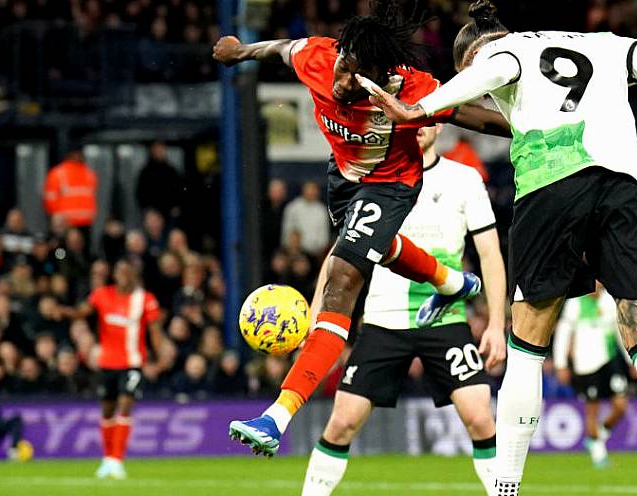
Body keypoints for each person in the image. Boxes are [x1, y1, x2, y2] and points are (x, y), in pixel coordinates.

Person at [366, 0, 637, 496]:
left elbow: (493, 70)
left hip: (551, 191)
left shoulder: (501, 53)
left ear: (471, 54)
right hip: (625, 190)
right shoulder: (604, 45)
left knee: (527, 349)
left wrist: (417, 111)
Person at [212, 0, 510, 458]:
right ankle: (452, 282)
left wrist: (529, 126)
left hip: (392, 185)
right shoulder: (320, 58)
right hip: (343, 180)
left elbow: (471, 115)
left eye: (354, 75)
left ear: (380, 74)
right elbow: (283, 47)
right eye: (343, 66)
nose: (341, 80)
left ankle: (276, 416)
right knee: (381, 248)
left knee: (341, 280)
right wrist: (241, 50)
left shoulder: (411, 88)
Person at [274, 125, 529, 496]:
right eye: (416, 118)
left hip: (444, 317)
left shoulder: (464, 179)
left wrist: (498, 325)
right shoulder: (375, 181)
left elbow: (489, 255)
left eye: (430, 118)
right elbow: (342, 253)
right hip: (383, 318)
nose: (423, 127)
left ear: (440, 124)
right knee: (342, 422)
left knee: (481, 417)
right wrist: (319, 311)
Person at [62, 259, 164, 479]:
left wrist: (159, 358)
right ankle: (107, 459)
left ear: (134, 276)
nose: (124, 276)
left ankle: (117, 459)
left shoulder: (145, 300)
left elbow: (154, 331)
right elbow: (82, 312)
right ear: (115, 275)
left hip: (133, 362)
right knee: (107, 410)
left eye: (128, 272)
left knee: (126, 403)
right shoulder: (102, 295)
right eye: (120, 272)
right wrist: (63, 312)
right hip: (107, 362)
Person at [553, 284, 630, 469]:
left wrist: (630, 359)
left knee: (621, 406)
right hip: (586, 364)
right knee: (592, 410)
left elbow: (620, 333)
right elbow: (563, 334)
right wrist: (561, 364)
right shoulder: (575, 303)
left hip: (610, 360)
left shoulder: (609, 301)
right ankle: (598, 455)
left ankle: (597, 438)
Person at [43, 148, 98, 229]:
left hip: (86, 222)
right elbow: (50, 197)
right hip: (65, 222)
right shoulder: (58, 173)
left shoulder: (89, 173)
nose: (79, 157)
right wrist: (56, 214)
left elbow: (92, 196)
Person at [280, 180, 333, 258]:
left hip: (315, 253)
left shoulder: (322, 210)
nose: (311, 192)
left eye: (313, 189)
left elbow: (324, 237)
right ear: (303, 190)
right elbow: (286, 232)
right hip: (294, 252)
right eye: (309, 189)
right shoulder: (292, 207)